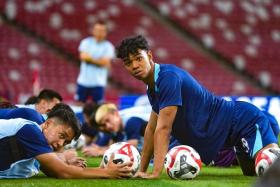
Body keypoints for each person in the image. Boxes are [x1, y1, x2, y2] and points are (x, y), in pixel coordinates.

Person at [116, 35, 279, 178]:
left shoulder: (168, 78)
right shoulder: (153, 87)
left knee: (270, 167)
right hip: (228, 135)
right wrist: (142, 170)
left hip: (243, 120)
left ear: (149, 56)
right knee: (252, 174)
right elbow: (151, 129)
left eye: (138, 58)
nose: (135, 65)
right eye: (128, 63)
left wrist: (155, 172)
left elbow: (163, 129)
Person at [0, 104, 132, 178]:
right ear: (47, 124)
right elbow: (62, 171)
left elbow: (53, 170)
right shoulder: (30, 130)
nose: (60, 144)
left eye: (66, 142)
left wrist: (98, 169)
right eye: (62, 136)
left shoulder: (35, 151)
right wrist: (106, 172)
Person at [82, 103, 151, 157]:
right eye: (104, 124)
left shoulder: (131, 121)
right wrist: (100, 149)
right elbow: (115, 147)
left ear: (116, 114)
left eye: (108, 120)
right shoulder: (118, 129)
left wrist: (101, 152)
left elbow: (131, 148)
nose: (108, 126)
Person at [76, 21, 115, 104]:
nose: (99, 32)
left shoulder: (109, 47)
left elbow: (104, 62)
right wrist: (99, 61)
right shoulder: (85, 42)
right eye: (97, 30)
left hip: (98, 83)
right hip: (83, 81)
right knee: (79, 105)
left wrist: (90, 59)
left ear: (105, 32)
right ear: (93, 30)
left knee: (98, 108)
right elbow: (83, 57)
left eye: (102, 30)